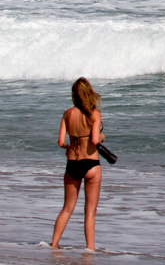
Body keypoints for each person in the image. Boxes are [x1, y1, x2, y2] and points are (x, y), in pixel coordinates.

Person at [50, 77, 105, 251]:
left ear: (74, 94)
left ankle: (53, 245)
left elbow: (61, 142)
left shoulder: (67, 113)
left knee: (67, 208)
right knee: (90, 211)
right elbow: (95, 140)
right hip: (91, 163)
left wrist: (69, 147)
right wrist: (102, 136)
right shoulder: (94, 113)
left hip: (72, 163)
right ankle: (90, 249)